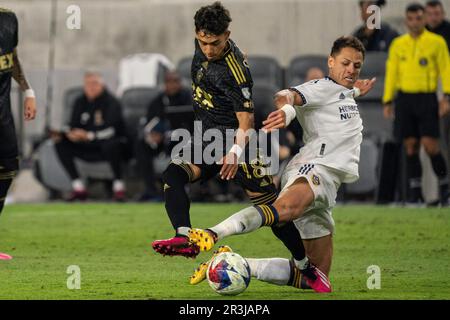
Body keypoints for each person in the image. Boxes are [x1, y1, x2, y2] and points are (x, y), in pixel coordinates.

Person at [187, 36, 376, 292]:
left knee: (313, 277)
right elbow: (285, 95)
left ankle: (228, 263)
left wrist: (356, 91)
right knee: (284, 209)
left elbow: (341, 94)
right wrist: (288, 112)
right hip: (313, 168)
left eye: (356, 65)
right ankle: (212, 233)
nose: (351, 70)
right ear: (331, 62)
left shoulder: (342, 91)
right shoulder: (319, 87)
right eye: (345, 63)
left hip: (330, 185)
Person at [152, 2, 308, 278]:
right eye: (203, 42)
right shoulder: (203, 41)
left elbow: (246, 121)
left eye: (215, 43)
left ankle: (304, 265)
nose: (208, 50)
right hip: (207, 139)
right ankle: (185, 237)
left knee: (272, 211)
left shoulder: (235, 72)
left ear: (227, 34)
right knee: (172, 174)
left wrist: (235, 152)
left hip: (242, 144)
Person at [383, 3, 450, 205]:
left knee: (431, 146)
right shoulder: (398, 44)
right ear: (406, 21)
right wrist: (387, 100)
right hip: (404, 99)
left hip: (427, 98)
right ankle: (415, 194)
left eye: (419, 18)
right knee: (410, 146)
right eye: (411, 19)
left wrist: (446, 96)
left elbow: (446, 69)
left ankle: (445, 187)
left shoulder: (436, 42)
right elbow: (392, 72)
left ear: (424, 20)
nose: (415, 22)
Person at [54, 71, 129, 201]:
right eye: (88, 84)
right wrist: (70, 133)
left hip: (106, 145)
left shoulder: (111, 102)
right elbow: (72, 124)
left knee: (112, 144)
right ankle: (78, 187)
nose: (91, 87)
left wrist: (89, 135)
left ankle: (118, 188)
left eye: (95, 83)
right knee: (60, 143)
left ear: (102, 85)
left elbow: (112, 130)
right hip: (85, 145)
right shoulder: (79, 101)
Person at [0, 8, 37, 260]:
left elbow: (10, 57)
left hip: (2, 114)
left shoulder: (8, 19)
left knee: (8, 167)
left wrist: (28, 91)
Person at [136, 71, 193, 201]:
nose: (172, 85)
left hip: (183, 139)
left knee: (185, 142)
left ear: (180, 83)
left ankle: (183, 189)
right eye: (169, 82)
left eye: (175, 81)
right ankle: (150, 190)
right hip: (162, 141)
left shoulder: (188, 100)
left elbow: (195, 124)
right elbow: (149, 124)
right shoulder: (158, 101)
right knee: (141, 144)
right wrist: (152, 135)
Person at [425, 0, 450, 193]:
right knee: (432, 144)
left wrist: (446, 96)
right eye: (430, 14)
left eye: (437, 13)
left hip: (444, 95)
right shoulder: (420, 36)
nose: (434, 17)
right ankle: (444, 188)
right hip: (429, 97)